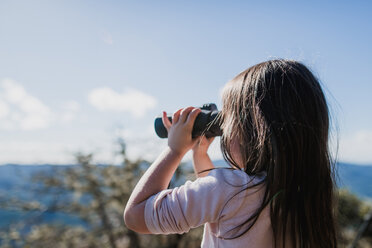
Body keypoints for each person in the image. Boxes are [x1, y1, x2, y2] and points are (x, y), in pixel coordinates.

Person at [124, 59, 338, 248]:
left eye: (228, 121)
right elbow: (223, 202)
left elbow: (136, 216)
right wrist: (200, 155)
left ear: (255, 130)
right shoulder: (308, 194)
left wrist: (174, 150)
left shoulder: (230, 189)